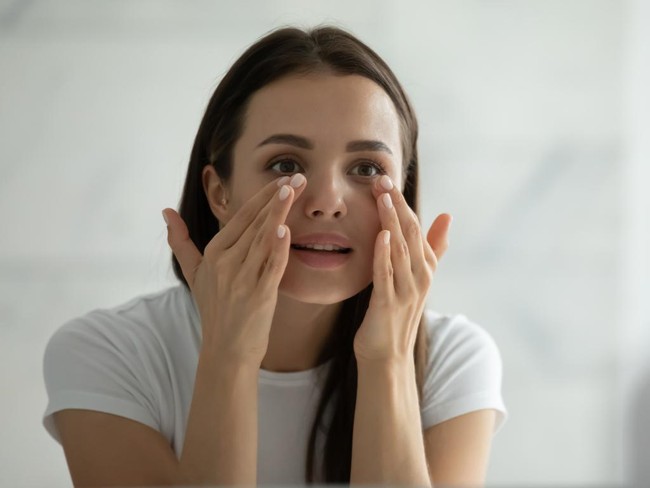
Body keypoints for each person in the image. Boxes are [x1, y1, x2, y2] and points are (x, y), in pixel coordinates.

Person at [42, 25, 506, 486]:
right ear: (219, 192)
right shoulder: (108, 355)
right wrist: (230, 354)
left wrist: (387, 361)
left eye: (366, 168)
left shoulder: (453, 360)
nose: (327, 200)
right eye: (286, 165)